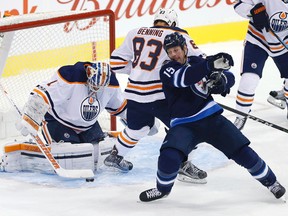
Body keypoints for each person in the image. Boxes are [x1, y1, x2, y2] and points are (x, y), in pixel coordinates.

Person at [139, 32, 286, 202]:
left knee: (243, 152)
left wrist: (222, 81)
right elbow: (185, 78)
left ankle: (271, 182)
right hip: (183, 125)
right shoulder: (167, 69)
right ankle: (162, 190)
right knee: (169, 157)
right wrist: (209, 66)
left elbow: (228, 77)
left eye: (176, 50)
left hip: (212, 119)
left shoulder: (197, 62)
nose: (173, 54)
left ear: (185, 48)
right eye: (170, 51)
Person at [105, 8, 207, 183]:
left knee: (137, 129)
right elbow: (201, 60)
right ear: (173, 23)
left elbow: (115, 63)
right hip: (161, 96)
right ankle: (183, 165)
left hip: (135, 94)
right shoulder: (177, 34)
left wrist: (138, 70)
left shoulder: (135, 32)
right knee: (184, 127)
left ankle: (115, 156)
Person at [16, 61, 127, 168]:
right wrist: (31, 116)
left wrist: (136, 123)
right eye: (93, 85)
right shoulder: (71, 76)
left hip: (88, 126)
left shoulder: (112, 84)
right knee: (72, 154)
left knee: (98, 150)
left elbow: (121, 107)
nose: (96, 90)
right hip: (58, 121)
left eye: (99, 88)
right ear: (89, 74)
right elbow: (44, 93)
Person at [233, 0, 288, 130]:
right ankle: (241, 114)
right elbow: (238, 4)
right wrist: (253, 11)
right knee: (249, 80)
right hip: (258, 39)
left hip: (284, 43)